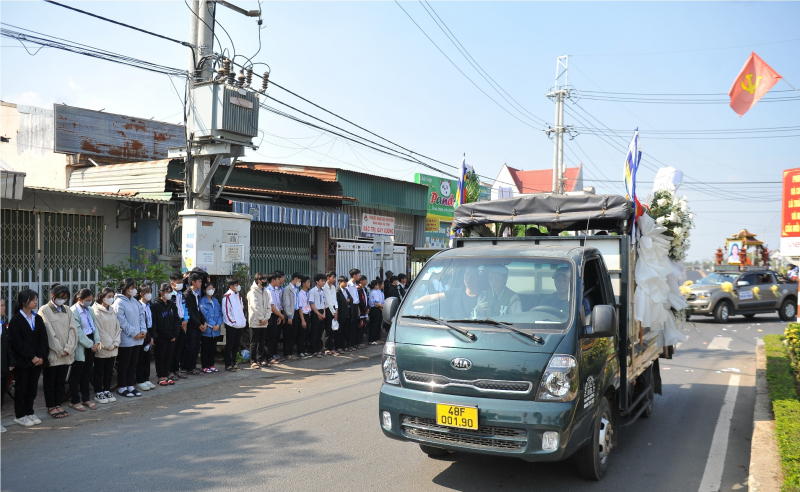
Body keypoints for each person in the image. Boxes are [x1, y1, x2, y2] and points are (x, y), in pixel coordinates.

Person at [7, 289, 48, 427]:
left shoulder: (37, 318)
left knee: (32, 388)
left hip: (37, 362)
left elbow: (43, 339)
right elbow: (18, 343)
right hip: (23, 361)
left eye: (36, 299)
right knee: (21, 388)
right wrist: (32, 356)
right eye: (32, 299)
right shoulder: (16, 320)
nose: (36, 302)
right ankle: (20, 415)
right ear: (24, 302)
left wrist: (41, 356)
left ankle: (29, 412)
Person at [38, 284, 79, 419]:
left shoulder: (67, 310)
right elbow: (48, 332)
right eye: (60, 297)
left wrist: (68, 348)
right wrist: (59, 349)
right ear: (53, 296)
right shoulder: (44, 310)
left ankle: (58, 404)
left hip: (66, 354)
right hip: (53, 353)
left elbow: (73, 330)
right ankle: (51, 406)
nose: (62, 300)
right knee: (50, 381)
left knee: (61, 381)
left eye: (65, 298)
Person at [68, 289, 101, 412]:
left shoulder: (90, 310)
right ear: (80, 300)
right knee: (76, 373)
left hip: (91, 342)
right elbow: (77, 331)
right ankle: (74, 401)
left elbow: (95, 327)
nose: (89, 302)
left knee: (86, 373)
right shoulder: (73, 311)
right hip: (81, 344)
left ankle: (86, 398)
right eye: (87, 300)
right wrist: (90, 344)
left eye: (91, 300)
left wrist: (96, 341)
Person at [113, 278, 147, 398]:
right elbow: (121, 321)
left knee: (133, 363)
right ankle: (122, 387)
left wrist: (143, 330)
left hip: (138, 338)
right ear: (126, 289)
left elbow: (142, 315)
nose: (135, 290)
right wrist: (134, 333)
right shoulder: (119, 302)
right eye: (132, 288)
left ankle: (130, 385)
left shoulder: (135, 301)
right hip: (127, 339)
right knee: (124, 364)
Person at [92, 288, 121, 404]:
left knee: (109, 370)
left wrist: (116, 342)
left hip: (113, 347)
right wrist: (109, 344)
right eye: (109, 296)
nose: (111, 298)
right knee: (99, 371)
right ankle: (99, 392)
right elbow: (99, 330)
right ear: (102, 297)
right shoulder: (95, 311)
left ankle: (107, 390)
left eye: (112, 296)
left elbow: (117, 327)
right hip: (103, 347)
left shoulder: (112, 309)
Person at [152, 283, 180, 386]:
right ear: (161, 293)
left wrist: (175, 334)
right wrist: (169, 335)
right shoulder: (155, 305)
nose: (169, 294)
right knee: (160, 356)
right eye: (168, 292)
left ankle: (167, 374)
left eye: (170, 292)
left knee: (169, 356)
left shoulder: (172, 305)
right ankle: (160, 376)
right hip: (161, 337)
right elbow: (159, 323)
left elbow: (176, 320)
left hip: (172, 337)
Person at [181, 272, 207, 376]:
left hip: (198, 325)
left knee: (196, 347)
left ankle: (192, 367)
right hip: (191, 325)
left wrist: (204, 322)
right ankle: (185, 367)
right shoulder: (187, 294)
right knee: (190, 347)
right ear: (193, 282)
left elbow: (198, 310)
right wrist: (199, 324)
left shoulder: (196, 294)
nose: (201, 283)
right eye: (199, 281)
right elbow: (190, 312)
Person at [221, 277, 246, 371]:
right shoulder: (227, 297)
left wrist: (242, 321)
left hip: (239, 324)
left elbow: (241, 309)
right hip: (231, 325)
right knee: (230, 344)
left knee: (236, 344)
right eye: (236, 285)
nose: (238, 286)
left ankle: (234, 362)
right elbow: (226, 312)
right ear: (231, 286)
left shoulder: (238, 296)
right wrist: (233, 322)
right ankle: (228, 364)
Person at [247, 272, 270, 368]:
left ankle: (261, 359)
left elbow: (269, 306)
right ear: (258, 280)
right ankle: (253, 361)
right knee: (254, 342)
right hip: (255, 321)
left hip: (264, 322)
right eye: (263, 280)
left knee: (262, 342)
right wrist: (261, 318)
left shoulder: (266, 292)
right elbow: (255, 307)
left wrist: (266, 318)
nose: (265, 281)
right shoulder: (252, 292)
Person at [135, 284, 156, 392]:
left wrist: (152, 337)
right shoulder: (137, 305)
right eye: (147, 292)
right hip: (141, 334)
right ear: (141, 294)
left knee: (147, 358)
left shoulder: (150, 305)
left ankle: (146, 378)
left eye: (150, 292)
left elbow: (153, 322)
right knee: (140, 359)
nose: (149, 294)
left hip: (149, 333)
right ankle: (140, 380)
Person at [169, 273, 189, 379]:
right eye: (178, 283)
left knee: (179, 349)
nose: (181, 284)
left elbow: (185, 309)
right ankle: (170, 370)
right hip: (173, 324)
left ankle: (176, 369)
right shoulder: (169, 295)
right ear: (172, 283)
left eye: (182, 282)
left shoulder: (181, 295)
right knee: (172, 349)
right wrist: (178, 322)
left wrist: (185, 320)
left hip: (182, 323)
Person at [199, 281, 222, 373]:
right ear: (205, 290)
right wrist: (213, 325)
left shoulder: (215, 300)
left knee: (212, 348)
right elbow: (205, 315)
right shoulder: (202, 301)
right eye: (209, 289)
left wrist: (218, 324)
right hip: (207, 329)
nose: (211, 290)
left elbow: (220, 313)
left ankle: (211, 365)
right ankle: (204, 366)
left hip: (216, 330)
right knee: (205, 348)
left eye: (212, 288)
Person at [266, 272, 285, 365]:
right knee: (270, 337)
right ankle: (269, 356)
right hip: (271, 315)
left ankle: (274, 354)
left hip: (278, 315)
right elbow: (272, 307)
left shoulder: (276, 290)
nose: (280, 281)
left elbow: (278, 304)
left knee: (276, 336)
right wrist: (281, 315)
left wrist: (280, 315)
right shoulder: (269, 290)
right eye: (278, 279)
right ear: (273, 280)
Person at [1, 299, 14, 432]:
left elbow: (8, 347)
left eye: (4, 305)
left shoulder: (3, 325)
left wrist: (11, 362)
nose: (4, 308)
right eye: (1, 305)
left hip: (3, 366)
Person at [282, 272, 301, 360]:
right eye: (299, 280)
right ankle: (287, 353)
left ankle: (291, 352)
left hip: (296, 312)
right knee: (288, 334)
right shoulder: (287, 289)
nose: (300, 282)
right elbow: (286, 303)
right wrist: (289, 316)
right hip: (290, 314)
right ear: (295, 279)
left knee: (294, 334)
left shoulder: (296, 289)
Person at [308, 274, 327, 358]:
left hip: (322, 311)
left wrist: (324, 313)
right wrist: (318, 314)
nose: (324, 282)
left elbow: (324, 303)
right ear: (317, 282)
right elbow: (311, 304)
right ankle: (313, 350)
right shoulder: (312, 291)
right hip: (315, 312)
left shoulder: (323, 291)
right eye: (322, 281)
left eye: (324, 281)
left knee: (320, 332)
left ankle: (319, 349)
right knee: (314, 332)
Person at [323, 272, 338, 355]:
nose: (334, 279)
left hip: (334, 309)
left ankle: (332, 347)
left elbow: (335, 299)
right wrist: (334, 312)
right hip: (328, 309)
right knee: (328, 329)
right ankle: (327, 348)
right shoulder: (324, 287)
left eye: (335, 278)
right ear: (328, 277)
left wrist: (336, 309)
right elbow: (328, 301)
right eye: (333, 277)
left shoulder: (333, 287)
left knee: (333, 329)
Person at [296, 276, 312, 358]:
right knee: (301, 334)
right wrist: (302, 320)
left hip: (308, 314)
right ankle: (300, 351)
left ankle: (304, 350)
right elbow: (300, 308)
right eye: (308, 282)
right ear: (304, 284)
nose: (309, 284)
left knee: (306, 334)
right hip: (303, 315)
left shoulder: (308, 293)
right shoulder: (300, 294)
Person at [334, 276, 351, 354]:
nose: (346, 283)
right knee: (339, 331)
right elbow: (337, 302)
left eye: (346, 282)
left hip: (346, 313)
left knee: (345, 330)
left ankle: (343, 346)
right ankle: (338, 347)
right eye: (344, 282)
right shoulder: (337, 291)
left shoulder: (346, 290)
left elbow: (350, 298)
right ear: (340, 282)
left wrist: (349, 300)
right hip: (340, 313)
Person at [347, 268, 361, 351]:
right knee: (351, 325)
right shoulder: (348, 285)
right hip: (351, 306)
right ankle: (350, 344)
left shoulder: (355, 285)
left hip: (356, 306)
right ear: (354, 275)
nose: (359, 276)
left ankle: (355, 343)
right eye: (358, 275)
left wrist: (358, 308)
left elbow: (356, 298)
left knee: (355, 324)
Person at [368, 279, 385, 345]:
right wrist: (382, 306)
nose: (378, 286)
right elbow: (375, 303)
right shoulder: (374, 292)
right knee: (374, 325)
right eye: (377, 285)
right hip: (374, 309)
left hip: (378, 308)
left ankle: (377, 338)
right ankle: (371, 339)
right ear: (375, 286)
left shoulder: (378, 291)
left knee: (378, 324)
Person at [357, 275, 370, 348]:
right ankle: (359, 342)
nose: (366, 282)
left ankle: (362, 341)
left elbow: (366, 299)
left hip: (365, 310)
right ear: (361, 281)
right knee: (360, 326)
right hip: (361, 311)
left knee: (363, 327)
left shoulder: (364, 289)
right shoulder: (358, 289)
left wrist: (367, 308)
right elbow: (360, 301)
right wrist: (365, 309)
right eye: (365, 280)